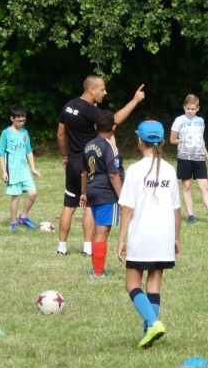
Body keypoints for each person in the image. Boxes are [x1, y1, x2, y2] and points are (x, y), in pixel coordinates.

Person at [57, 76, 145, 255]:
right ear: (91, 90)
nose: (105, 93)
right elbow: (113, 121)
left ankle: (61, 247)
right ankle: (87, 248)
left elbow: (60, 135)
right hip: (90, 162)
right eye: (102, 89)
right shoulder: (90, 111)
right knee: (89, 205)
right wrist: (134, 101)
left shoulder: (68, 106)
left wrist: (66, 156)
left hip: (73, 162)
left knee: (69, 205)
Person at [118, 120, 181, 349]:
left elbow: (127, 209)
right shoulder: (170, 170)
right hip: (164, 235)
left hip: (142, 235)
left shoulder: (134, 170)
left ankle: (153, 323)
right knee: (154, 285)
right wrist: (176, 238)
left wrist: (121, 238)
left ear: (139, 141)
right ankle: (148, 333)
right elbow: (176, 209)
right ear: (162, 142)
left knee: (132, 284)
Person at [80, 111, 123, 278]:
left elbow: (84, 171)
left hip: (92, 189)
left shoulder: (88, 145)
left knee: (99, 230)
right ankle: (98, 272)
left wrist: (83, 192)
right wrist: (122, 197)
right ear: (114, 127)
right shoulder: (110, 147)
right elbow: (113, 174)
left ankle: (96, 269)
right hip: (106, 192)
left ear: (95, 126)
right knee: (102, 231)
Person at [170, 94, 208, 224]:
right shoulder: (179, 120)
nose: (190, 111)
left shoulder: (200, 121)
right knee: (187, 186)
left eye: (193, 109)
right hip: (184, 158)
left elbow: (201, 140)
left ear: (197, 108)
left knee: (205, 186)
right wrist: (184, 141)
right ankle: (191, 216)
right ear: (184, 107)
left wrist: (207, 156)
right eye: (188, 108)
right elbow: (172, 140)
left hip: (199, 158)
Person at [0, 104, 42, 230]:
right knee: (16, 196)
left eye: (23, 121)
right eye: (19, 121)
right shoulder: (6, 133)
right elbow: (0, 154)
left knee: (32, 193)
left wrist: (33, 168)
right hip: (12, 170)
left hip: (24, 169)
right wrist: (4, 171)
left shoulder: (25, 133)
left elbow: (29, 151)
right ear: (12, 118)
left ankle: (23, 217)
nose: (22, 123)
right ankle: (13, 222)